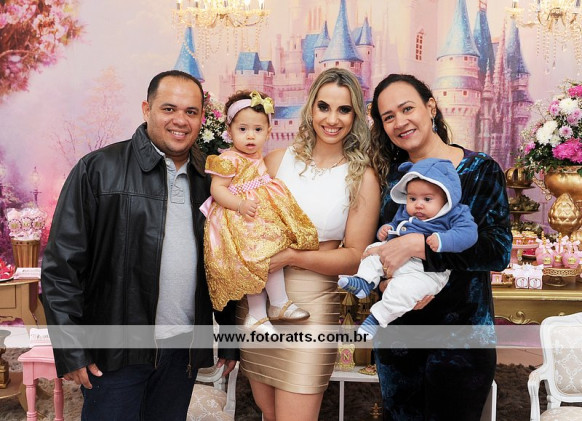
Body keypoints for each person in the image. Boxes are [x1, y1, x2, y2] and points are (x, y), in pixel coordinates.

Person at [41, 70, 237, 421]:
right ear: (147, 109)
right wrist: (70, 347)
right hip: (115, 353)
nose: (180, 120)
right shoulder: (98, 170)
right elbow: (60, 268)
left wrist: (231, 337)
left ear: (201, 118)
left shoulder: (210, 181)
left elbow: (224, 263)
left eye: (191, 112)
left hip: (181, 353)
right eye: (169, 109)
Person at [237, 68, 381, 421]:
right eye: (324, 107)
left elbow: (354, 257)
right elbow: (238, 218)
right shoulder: (276, 161)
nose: (332, 119)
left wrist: (290, 256)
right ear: (310, 108)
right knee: (269, 414)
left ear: (356, 116)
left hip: (313, 305)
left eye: (344, 110)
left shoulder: (361, 177)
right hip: (259, 302)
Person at [367, 73, 512, 420]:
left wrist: (421, 246)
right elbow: (379, 246)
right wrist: (384, 283)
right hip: (399, 340)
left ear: (430, 107)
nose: (400, 122)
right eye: (389, 117)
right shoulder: (392, 179)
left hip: (461, 340)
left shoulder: (479, 170)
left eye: (407, 109)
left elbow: (497, 251)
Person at [201, 89, 319, 332]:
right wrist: (239, 204)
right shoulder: (228, 158)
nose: (250, 136)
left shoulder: (258, 157)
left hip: (258, 218)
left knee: (271, 254)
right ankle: (258, 313)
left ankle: (276, 304)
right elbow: (217, 189)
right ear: (229, 130)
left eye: (257, 129)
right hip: (238, 218)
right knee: (254, 260)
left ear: (268, 132)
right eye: (242, 129)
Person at [339, 158, 478, 339]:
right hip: (396, 258)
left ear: (446, 196)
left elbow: (468, 233)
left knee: (404, 290)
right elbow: (397, 225)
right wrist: (387, 230)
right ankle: (364, 281)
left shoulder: (456, 213)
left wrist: (443, 240)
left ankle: (376, 319)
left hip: (426, 271)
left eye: (427, 199)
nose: (418, 204)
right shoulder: (406, 211)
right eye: (412, 198)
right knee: (373, 249)